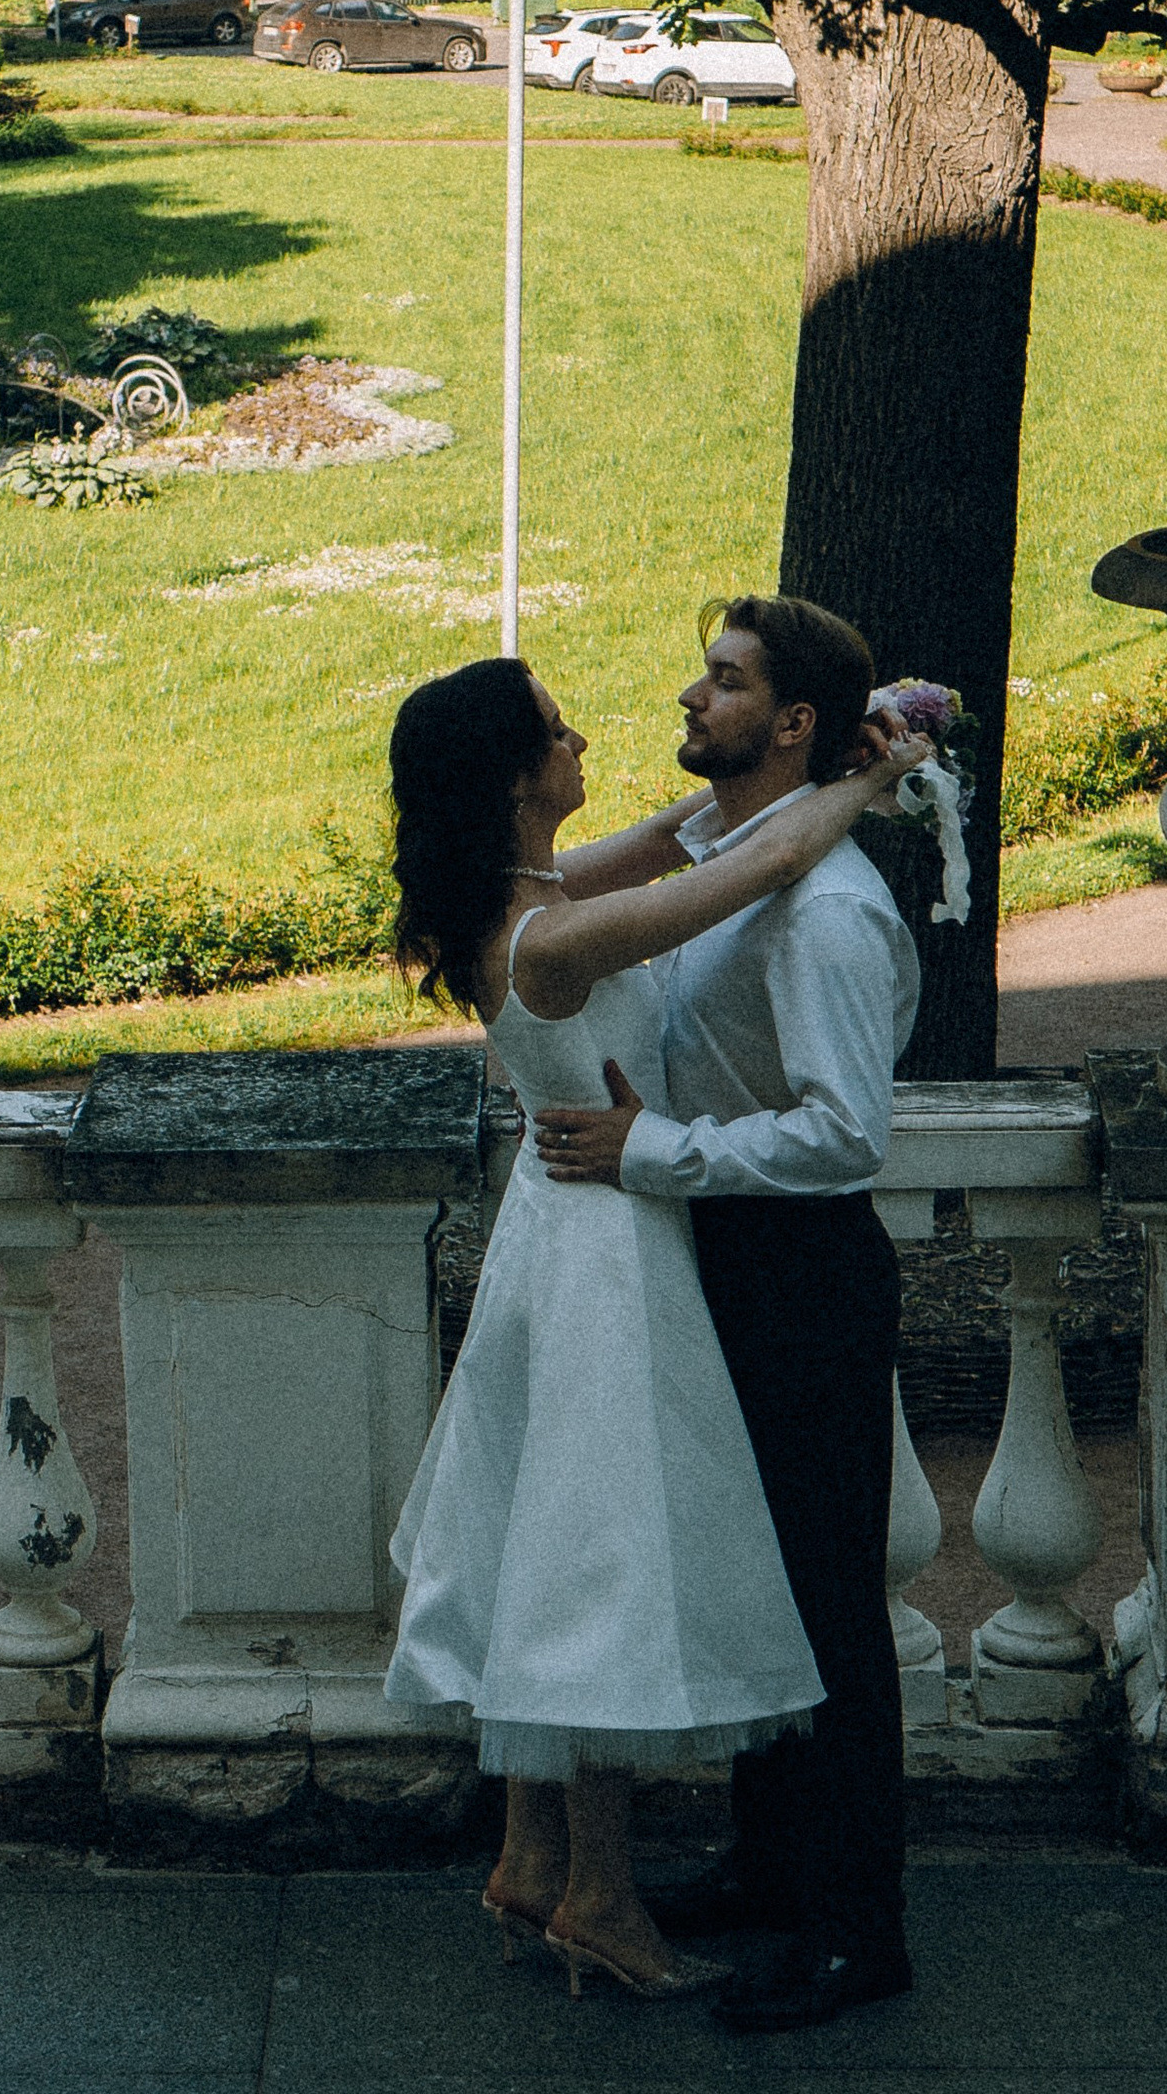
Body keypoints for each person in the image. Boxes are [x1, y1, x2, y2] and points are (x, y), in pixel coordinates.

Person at [383, 654, 930, 2000]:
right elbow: (746, 867)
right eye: (559, 733)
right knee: (603, 1562)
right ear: (520, 781)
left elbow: (701, 831)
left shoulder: (521, 901)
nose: (585, 740)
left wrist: (807, 757)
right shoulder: (558, 934)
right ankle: (602, 1900)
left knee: (540, 1545)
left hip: (550, 1233)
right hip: (610, 1244)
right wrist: (880, 769)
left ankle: (534, 1861)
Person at [535, 595, 923, 2034]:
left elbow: (845, 1136)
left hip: (801, 1270)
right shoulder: (726, 854)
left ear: (795, 723)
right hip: (723, 1260)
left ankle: (854, 1931)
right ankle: (771, 1870)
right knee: (751, 1581)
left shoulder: (823, 913)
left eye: (725, 683)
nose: (694, 700)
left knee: (826, 1606)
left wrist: (658, 1155)